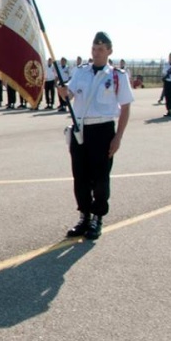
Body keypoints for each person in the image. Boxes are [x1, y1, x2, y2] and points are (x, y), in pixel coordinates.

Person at [58, 32, 133, 240]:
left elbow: (125, 108)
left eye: (101, 49)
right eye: (94, 48)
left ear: (109, 51)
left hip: (102, 131)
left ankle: (97, 218)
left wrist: (118, 137)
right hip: (80, 130)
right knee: (80, 177)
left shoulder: (117, 76)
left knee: (100, 178)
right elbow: (69, 95)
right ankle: (84, 216)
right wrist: (63, 92)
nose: (96, 52)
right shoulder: (81, 72)